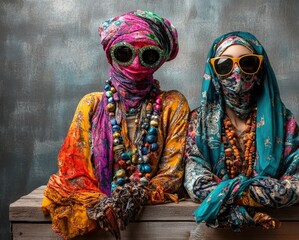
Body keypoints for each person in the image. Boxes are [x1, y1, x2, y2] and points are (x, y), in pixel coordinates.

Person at [42, 10, 189, 239]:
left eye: (149, 55)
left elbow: (171, 176)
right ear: (111, 54)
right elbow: (73, 169)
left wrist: (136, 194)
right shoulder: (91, 104)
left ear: (161, 59)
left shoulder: (172, 104)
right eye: (124, 53)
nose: (137, 63)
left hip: (152, 224)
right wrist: (99, 203)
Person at [183, 32, 299, 231]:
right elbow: (196, 183)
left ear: (260, 69)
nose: (237, 73)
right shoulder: (199, 123)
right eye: (225, 65)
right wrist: (258, 196)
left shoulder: (283, 121)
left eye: (247, 63)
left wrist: (229, 192)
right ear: (214, 72)